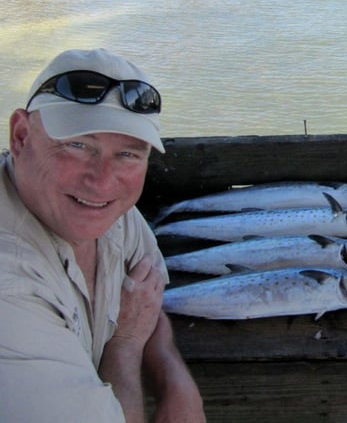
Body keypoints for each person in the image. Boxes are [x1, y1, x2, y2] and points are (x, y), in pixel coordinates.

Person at [0, 48, 205, 422]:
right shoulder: (9, 284)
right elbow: (134, 323)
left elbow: (146, 298)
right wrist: (125, 346)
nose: (102, 180)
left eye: (128, 154)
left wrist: (173, 378)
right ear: (21, 136)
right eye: (77, 146)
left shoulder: (100, 208)